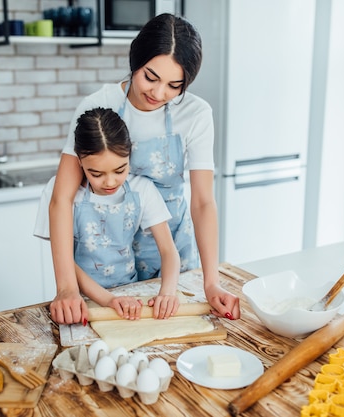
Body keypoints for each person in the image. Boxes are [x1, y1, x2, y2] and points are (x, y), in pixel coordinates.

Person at [48, 13, 240, 325]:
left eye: (174, 85)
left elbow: (203, 202)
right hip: (108, 256)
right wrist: (67, 287)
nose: (159, 93)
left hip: (170, 248)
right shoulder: (99, 104)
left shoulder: (196, 114)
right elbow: (61, 199)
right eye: (150, 77)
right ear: (136, 59)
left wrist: (211, 282)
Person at [35, 107, 180, 320]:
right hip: (80, 300)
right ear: (79, 161)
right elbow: (65, 260)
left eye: (120, 170)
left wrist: (167, 293)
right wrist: (108, 300)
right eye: (96, 174)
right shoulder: (59, 193)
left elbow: (169, 251)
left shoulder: (143, 190)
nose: (110, 182)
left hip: (132, 296)